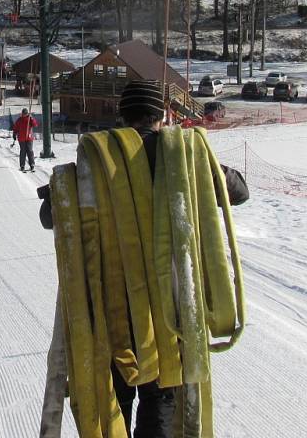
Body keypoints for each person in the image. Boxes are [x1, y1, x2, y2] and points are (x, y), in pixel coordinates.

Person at [37, 80, 248, 438]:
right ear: (163, 115)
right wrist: (206, 167)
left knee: (112, 401)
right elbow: (239, 192)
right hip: (170, 313)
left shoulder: (97, 161)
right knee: (162, 401)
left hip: (110, 309)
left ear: (122, 115)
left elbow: (48, 217)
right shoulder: (183, 157)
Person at [12, 107, 38, 172]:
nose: (24, 115)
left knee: (30, 151)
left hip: (29, 138)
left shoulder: (29, 119)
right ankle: (22, 165)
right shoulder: (19, 120)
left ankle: (32, 164)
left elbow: (35, 125)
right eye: (23, 113)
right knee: (23, 151)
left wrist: (32, 118)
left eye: (25, 114)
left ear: (27, 114)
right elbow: (15, 127)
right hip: (21, 138)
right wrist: (14, 134)